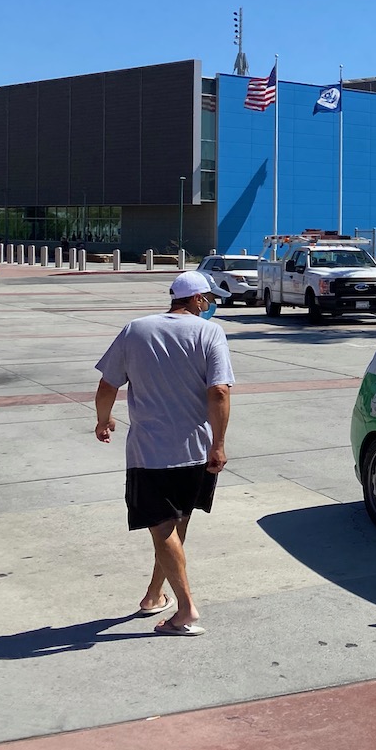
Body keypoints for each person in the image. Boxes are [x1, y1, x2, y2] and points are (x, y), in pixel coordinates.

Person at [93, 271, 233, 636]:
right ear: (198, 300)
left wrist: (103, 420)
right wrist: (218, 444)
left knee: (162, 530)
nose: (211, 305)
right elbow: (219, 391)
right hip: (195, 452)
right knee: (174, 527)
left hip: (149, 453)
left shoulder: (135, 330)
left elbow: (108, 383)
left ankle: (185, 610)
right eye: (209, 299)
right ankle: (154, 595)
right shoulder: (210, 333)